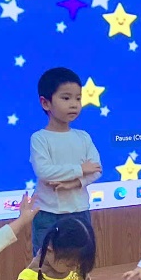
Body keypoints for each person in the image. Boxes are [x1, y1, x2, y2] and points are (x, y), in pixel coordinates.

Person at [29, 66, 102, 255]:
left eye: (78, 98)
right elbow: (44, 171)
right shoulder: (40, 138)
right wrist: (80, 169)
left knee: (80, 259)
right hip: (47, 213)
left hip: (79, 211)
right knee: (44, 261)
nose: (74, 104)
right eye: (66, 98)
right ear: (45, 103)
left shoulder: (83, 137)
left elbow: (96, 169)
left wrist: (74, 183)